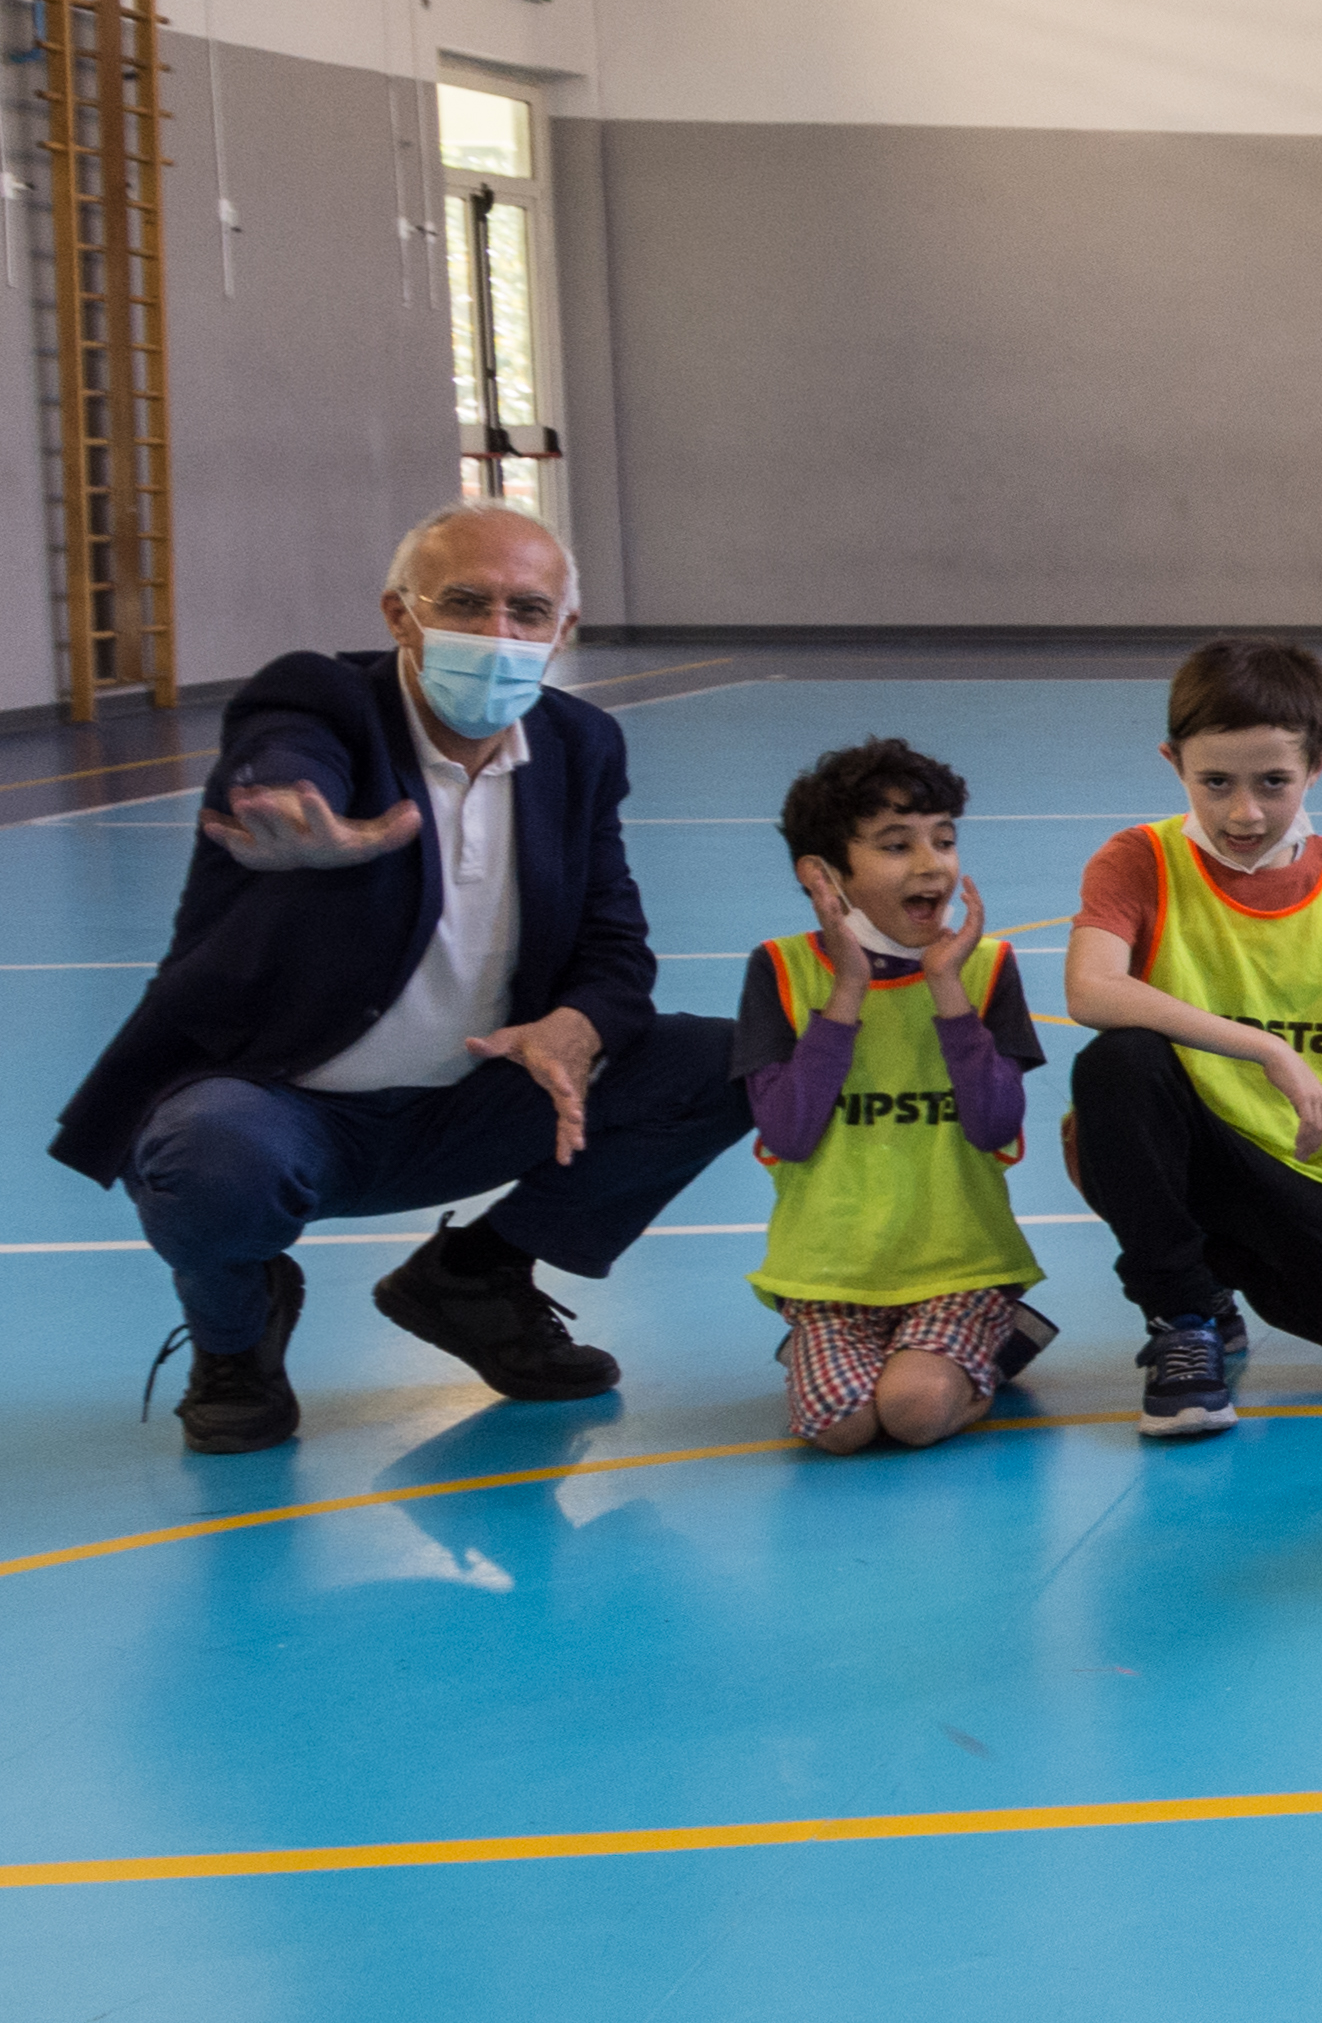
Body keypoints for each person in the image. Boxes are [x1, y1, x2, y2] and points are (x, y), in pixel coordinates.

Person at [65, 501, 750, 1453]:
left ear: (564, 632)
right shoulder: (323, 703)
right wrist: (296, 810)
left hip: (476, 1097)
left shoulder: (579, 746)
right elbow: (284, 745)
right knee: (208, 1159)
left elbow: (615, 946)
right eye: (465, 603)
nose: (498, 634)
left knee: (729, 1062)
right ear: (400, 615)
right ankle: (235, 1341)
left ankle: (474, 1278)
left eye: (527, 611)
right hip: (288, 1111)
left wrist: (580, 1024)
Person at [1058, 635, 1322, 1436]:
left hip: (1291, 1165)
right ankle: (1182, 1315)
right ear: (1173, 762)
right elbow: (1089, 988)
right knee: (1118, 1063)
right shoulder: (1138, 859)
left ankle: (1211, 1278)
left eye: (1273, 782)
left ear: (1319, 765)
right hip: (1184, 1143)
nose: (1243, 811)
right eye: (1215, 782)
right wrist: (1265, 1046)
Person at [739, 737, 1056, 1454]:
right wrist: (846, 990)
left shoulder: (987, 968)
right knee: (842, 1427)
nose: (930, 864)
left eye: (943, 840)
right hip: (829, 1276)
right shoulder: (780, 970)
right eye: (895, 844)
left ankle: (988, 1343)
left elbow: (993, 1122)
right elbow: (787, 1131)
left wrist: (947, 990)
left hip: (959, 1265)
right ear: (823, 873)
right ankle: (838, 1353)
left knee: (912, 1411)